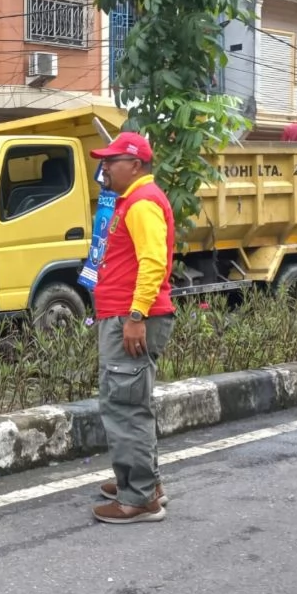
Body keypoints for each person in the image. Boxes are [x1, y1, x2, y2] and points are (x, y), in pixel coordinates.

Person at [88, 131, 176, 525]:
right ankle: (145, 484)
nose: (104, 167)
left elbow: (153, 262)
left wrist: (137, 316)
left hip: (131, 317)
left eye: (112, 160)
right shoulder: (134, 200)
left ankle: (137, 499)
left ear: (135, 165)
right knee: (132, 403)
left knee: (124, 408)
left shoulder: (141, 203)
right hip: (125, 314)